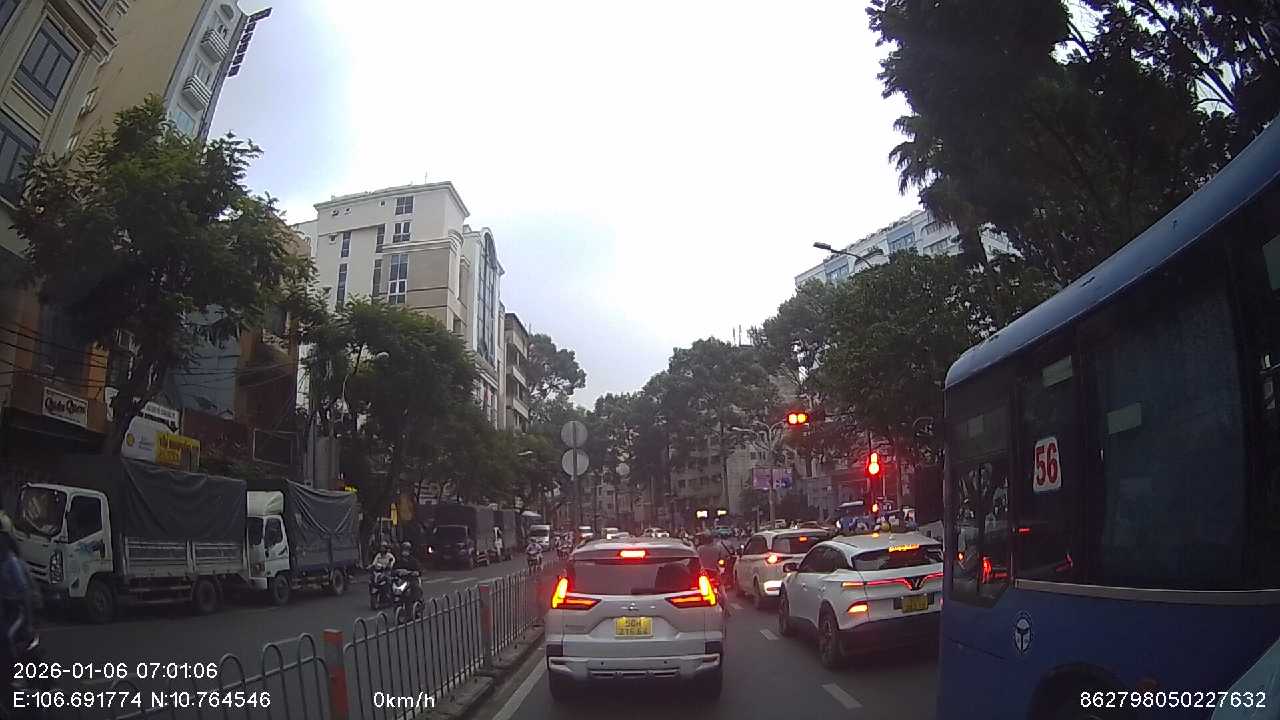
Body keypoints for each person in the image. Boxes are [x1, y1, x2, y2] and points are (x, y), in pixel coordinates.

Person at [0, 512, 35, 680]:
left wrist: (28, 621)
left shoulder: (11, 562)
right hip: (6, 609)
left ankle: (16, 676)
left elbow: (24, 591)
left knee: (7, 637)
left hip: (17, 609)